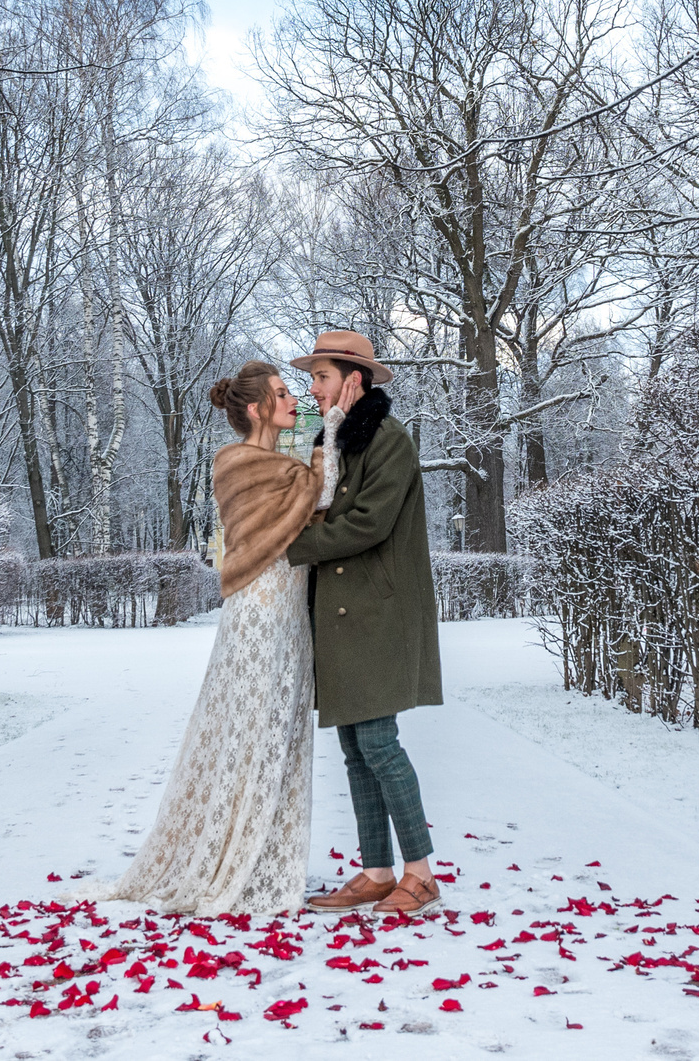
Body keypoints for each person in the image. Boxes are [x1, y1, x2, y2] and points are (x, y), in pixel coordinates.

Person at [83, 362, 320, 914]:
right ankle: (230, 856)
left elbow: (309, 500)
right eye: (281, 393)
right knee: (250, 729)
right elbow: (314, 495)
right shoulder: (237, 463)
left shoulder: (284, 466)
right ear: (257, 408)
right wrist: (330, 433)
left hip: (290, 611)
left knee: (279, 731)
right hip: (260, 609)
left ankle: (262, 855)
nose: (293, 400)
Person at [284, 329, 446, 915]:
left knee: (379, 742)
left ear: (353, 380)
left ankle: (420, 874)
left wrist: (290, 546)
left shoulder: (388, 440)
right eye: (310, 379)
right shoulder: (339, 439)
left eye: (320, 377)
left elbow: (369, 523)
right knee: (355, 747)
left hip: (379, 613)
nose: (312, 388)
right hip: (342, 615)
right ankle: (377, 871)